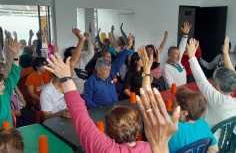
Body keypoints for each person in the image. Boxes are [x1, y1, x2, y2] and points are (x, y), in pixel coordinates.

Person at [44, 53, 178, 153]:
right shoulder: (150, 148)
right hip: (102, 109)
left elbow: (79, 115)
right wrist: (161, 146)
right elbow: (86, 101)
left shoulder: (104, 148)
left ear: (108, 131)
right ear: (139, 129)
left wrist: (66, 79)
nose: (109, 73)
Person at [186, 37, 236, 140]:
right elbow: (233, 76)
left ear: (217, 85)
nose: (211, 81)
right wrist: (226, 54)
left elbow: (201, 80)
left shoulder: (218, 100)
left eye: (213, 80)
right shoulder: (232, 100)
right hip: (224, 143)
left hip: (205, 143)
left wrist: (191, 56)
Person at [40, 28, 84, 120]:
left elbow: (74, 59)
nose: (71, 76)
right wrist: (61, 113)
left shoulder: (65, 79)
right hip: (57, 123)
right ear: (61, 77)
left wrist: (81, 39)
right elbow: (46, 117)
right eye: (69, 75)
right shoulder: (47, 93)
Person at [83, 34, 134, 108]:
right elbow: (87, 100)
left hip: (115, 108)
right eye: (106, 70)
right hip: (102, 113)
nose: (109, 72)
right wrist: (98, 107)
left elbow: (118, 62)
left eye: (109, 70)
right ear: (98, 70)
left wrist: (128, 47)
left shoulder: (109, 76)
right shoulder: (91, 82)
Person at [168, 87, 218, 153]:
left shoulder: (172, 125)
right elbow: (214, 150)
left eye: (174, 105)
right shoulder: (203, 125)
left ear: (184, 113)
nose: (172, 105)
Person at [162, 22, 191, 88]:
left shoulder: (177, 62)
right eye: (176, 54)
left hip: (183, 89)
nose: (179, 56)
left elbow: (182, 47)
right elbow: (170, 86)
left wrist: (185, 34)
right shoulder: (167, 68)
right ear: (169, 55)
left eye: (179, 54)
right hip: (176, 93)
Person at [0, 36, 21, 128]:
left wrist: (16, 54)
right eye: (0, 85)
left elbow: (14, 75)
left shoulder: (5, 91)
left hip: (9, 135)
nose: (3, 87)